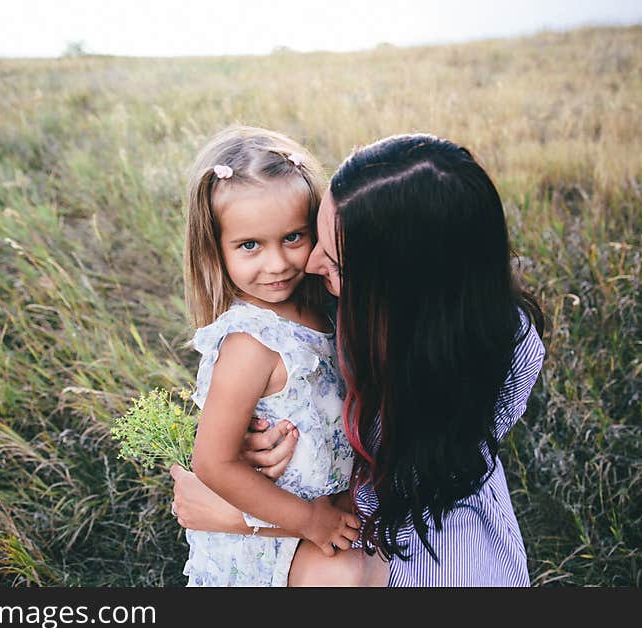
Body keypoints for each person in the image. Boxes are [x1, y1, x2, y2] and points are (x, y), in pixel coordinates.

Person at [171, 132, 546, 586]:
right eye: (318, 236)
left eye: (332, 258)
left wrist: (239, 516)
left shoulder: (497, 347)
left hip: (411, 546)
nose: (304, 265)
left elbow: (384, 499)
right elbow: (223, 446)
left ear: (402, 286)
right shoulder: (280, 328)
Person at [179, 125, 362, 587]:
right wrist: (307, 521)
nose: (277, 263)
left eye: (294, 237)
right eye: (249, 246)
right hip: (269, 537)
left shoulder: (322, 307)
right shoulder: (251, 342)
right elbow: (213, 463)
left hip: (324, 516)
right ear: (215, 250)